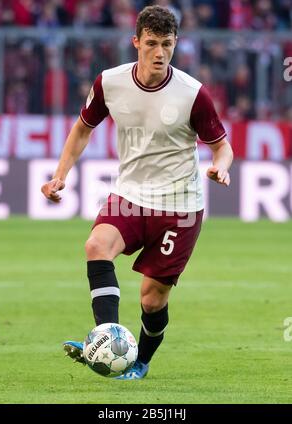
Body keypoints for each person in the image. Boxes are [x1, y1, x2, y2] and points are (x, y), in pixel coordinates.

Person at [41, 5, 233, 380]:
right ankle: (105, 339)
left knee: (151, 298)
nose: (159, 53)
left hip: (179, 206)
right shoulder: (109, 83)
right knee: (96, 246)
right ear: (136, 43)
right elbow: (82, 128)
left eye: (167, 44)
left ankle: (140, 361)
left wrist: (221, 167)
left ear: (176, 43)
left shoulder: (192, 94)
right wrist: (60, 175)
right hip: (130, 195)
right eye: (151, 43)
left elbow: (222, 145)